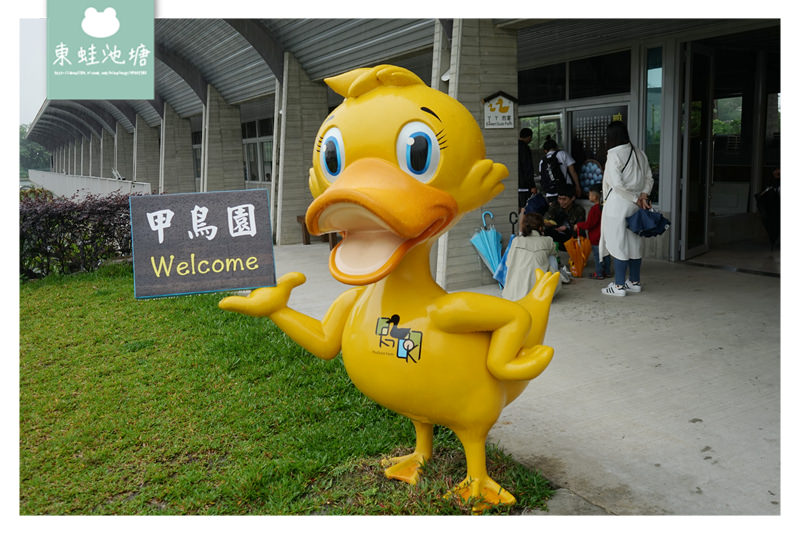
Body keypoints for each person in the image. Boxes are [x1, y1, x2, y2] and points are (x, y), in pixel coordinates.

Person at [598, 121, 654, 297]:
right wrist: (643, 196)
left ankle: (619, 286)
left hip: (618, 205)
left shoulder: (614, 154)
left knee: (618, 243)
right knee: (634, 242)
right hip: (635, 206)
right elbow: (649, 178)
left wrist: (635, 198)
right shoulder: (639, 152)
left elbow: (617, 184)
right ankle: (634, 282)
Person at [501, 212, 561, 301]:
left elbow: (508, 263)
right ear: (540, 227)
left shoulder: (516, 241)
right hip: (538, 295)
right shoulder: (547, 241)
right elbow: (555, 255)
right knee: (552, 257)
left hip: (512, 295)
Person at [543, 186, 585, 283]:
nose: (561, 202)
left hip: (571, 237)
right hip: (557, 235)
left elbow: (580, 228)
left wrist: (567, 228)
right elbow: (546, 218)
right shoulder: (555, 206)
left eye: (564, 199)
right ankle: (553, 258)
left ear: (572, 198)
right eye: (559, 199)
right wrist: (548, 222)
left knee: (580, 235)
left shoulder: (579, 210)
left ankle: (576, 259)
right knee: (547, 232)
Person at [575, 185, 610, 279]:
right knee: (606, 254)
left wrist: (578, 225)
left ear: (595, 197)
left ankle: (599, 274)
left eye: (590, 195)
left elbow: (589, 224)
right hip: (604, 236)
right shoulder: (605, 207)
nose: (589, 197)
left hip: (596, 237)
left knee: (598, 256)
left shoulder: (594, 209)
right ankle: (607, 272)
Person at [538, 136, 582, 204]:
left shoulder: (542, 161)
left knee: (554, 213)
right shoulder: (562, 154)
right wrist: (577, 186)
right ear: (556, 147)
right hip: (565, 189)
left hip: (550, 193)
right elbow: (572, 171)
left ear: (545, 150)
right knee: (567, 211)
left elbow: (542, 177)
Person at [518, 128, 535, 208]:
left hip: (517, 184)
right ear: (529, 137)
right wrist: (532, 185)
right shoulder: (525, 148)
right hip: (524, 185)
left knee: (518, 208)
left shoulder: (515, 146)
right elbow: (528, 167)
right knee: (524, 208)